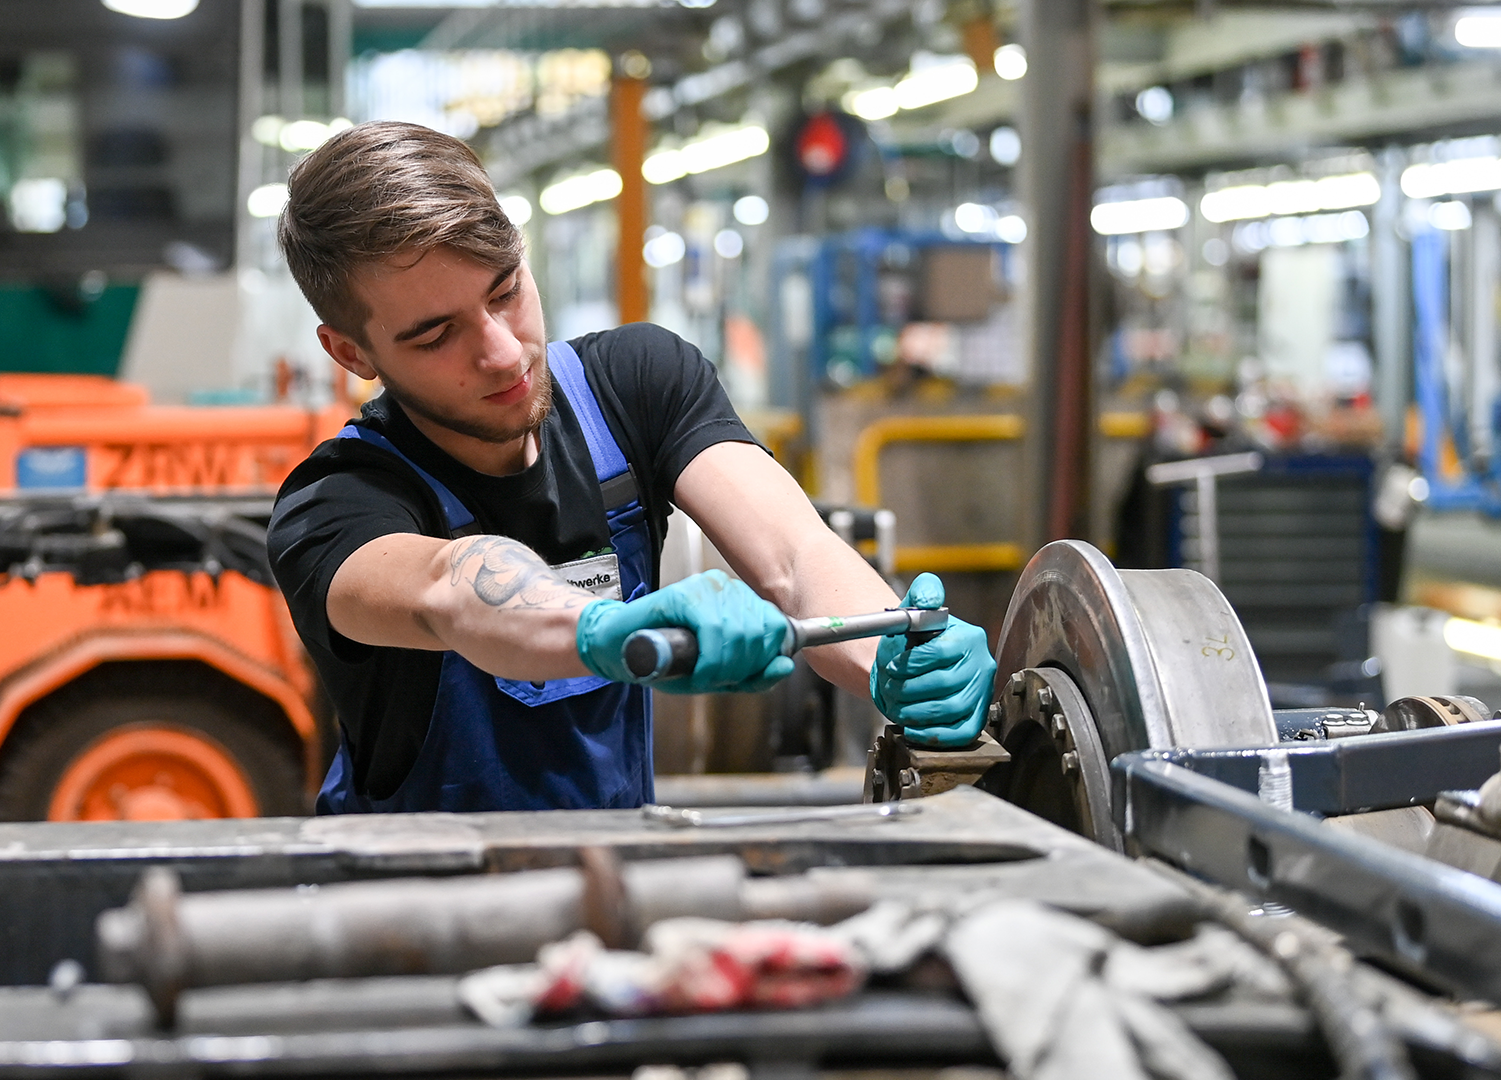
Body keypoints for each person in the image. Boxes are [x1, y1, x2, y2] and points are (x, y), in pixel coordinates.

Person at [266, 121, 995, 814]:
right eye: (435, 335)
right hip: (419, 922)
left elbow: (794, 556)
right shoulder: (336, 506)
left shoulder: (634, 387)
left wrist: (890, 663)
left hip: (617, 885)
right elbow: (446, 590)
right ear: (352, 354)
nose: (501, 351)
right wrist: (606, 633)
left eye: (505, 292)